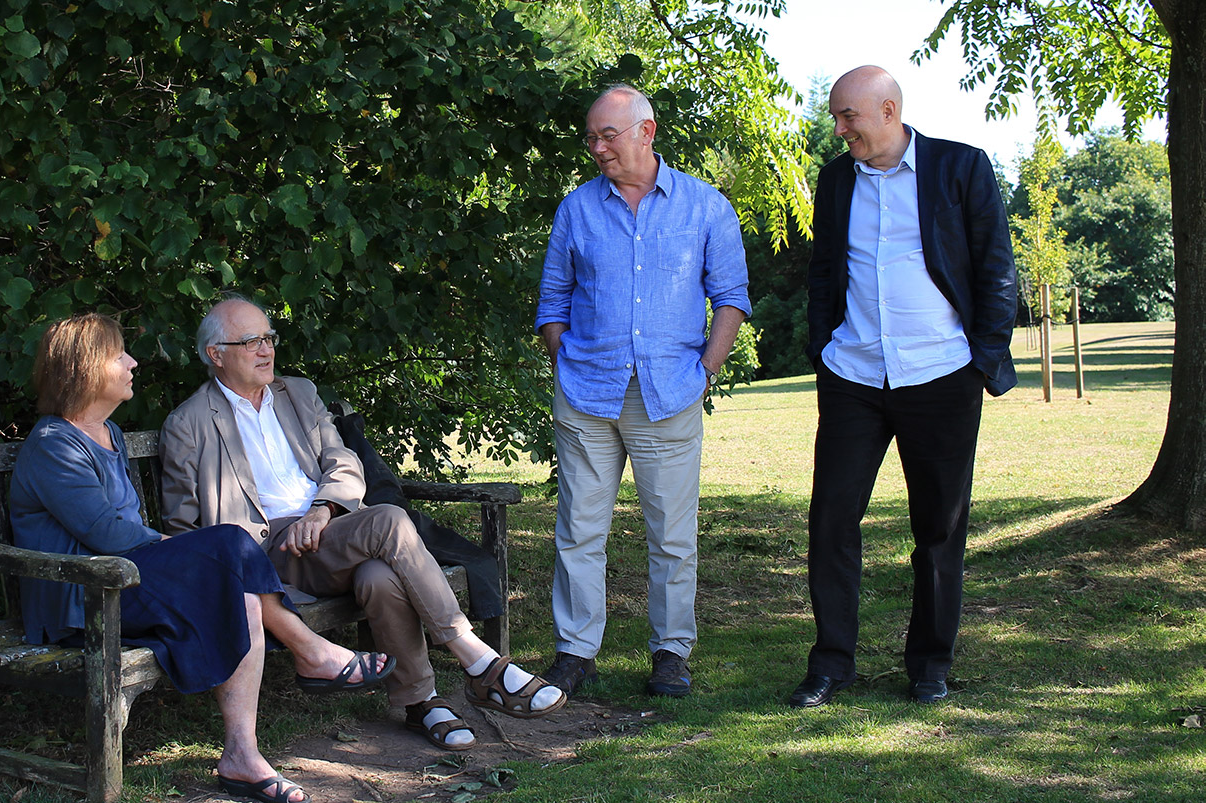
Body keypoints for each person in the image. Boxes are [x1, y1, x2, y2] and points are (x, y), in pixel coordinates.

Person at [9, 313, 396, 803]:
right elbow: (105, 533)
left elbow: (125, 537)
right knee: (229, 548)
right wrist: (183, 551)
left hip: (125, 581)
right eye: (117, 355)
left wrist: (185, 553)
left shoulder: (106, 433)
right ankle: (311, 655)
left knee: (237, 580)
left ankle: (242, 753)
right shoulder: (53, 446)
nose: (131, 363)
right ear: (84, 369)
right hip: (82, 599)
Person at [160, 297, 566, 752]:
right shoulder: (189, 423)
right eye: (251, 341)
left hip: (327, 531)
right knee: (390, 519)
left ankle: (422, 703)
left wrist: (323, 510)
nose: (266, 349)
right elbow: (183, 528)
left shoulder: (297, 394)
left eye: (269, 338)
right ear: (216, 354)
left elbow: (343, 462)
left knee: (380, 576)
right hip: (263, 556)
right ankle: (480, 662)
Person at [788, 66, 1019, 709]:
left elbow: (997, 268)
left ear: (888, 111)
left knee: (939, 527)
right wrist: (821, 348)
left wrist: (982, 359)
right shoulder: (836, 181)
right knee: (832, 518)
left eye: (848, 117)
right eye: (837, 117)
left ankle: (930, 665)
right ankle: (832, 663)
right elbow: (825, 270)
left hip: (943, 374)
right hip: (854, 376)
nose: (839, 131)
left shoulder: (961, 167)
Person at [535, 83, 751, 698]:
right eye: (591, 138)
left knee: (672, 534)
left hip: (669, 392)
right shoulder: (577, 209)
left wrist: (707, 368)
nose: (598, 148)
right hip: (586, 394)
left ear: (647, 132)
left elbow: (732, 297)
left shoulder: (705, 207)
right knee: (578, 530)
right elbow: (552, 299)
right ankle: (576, 653)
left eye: (609, 135)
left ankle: (670, 654)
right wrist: (564, 357)